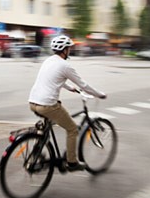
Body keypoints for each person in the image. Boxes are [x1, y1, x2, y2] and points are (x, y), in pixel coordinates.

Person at [28, 35, 107, 172]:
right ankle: (72, 162)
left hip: (33, 102)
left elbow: (56, 79)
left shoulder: (49, 61)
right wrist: (99, 94)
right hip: (47, 105)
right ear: (65, 50)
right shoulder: (65, 65)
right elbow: (84, 85)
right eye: (69, 48)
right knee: (72, 129)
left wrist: (70, 88)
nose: (70, 50)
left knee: (45, 126)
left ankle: (36, 152)